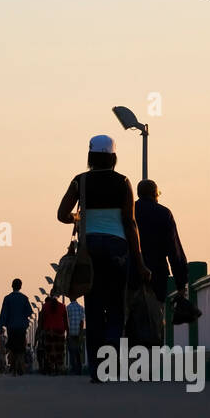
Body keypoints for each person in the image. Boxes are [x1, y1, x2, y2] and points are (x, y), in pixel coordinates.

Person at [57, 135, 149, 383]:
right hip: (117, 248)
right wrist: (139, 262)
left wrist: (78, 218)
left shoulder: (81, 182)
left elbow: (62, 214)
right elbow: (130, 223)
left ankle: (97, 369)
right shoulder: (123, 182)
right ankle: (112, 346)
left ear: (90, 156)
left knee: (94, 305)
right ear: (113, 157)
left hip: (90, 249)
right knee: (117, 304)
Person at [135, 180, 196, 327]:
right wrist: (181, 283)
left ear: (138, 194)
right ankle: (152, 348)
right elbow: (175, 251)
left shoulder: (128, 211)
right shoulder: (163, 214)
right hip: (156, 277)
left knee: (129, 320)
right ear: (155, 194)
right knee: (155, 322)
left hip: (130, 275)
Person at [0, 279, 32, 375]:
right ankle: (20, 366)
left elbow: (3, 313)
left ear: (12, 286)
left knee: (12, 347)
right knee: (21, 348)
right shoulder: (24, 298)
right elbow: (29, 312)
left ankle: (13, 367)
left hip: (11, 327)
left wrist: (1, 326)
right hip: (21, 327)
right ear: (20, 286)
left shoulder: (7, 298)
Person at [38, 294, 68, 375]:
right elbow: (65, 320)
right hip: (60, 331)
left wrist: (40, 331)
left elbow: (41, 320)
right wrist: (67, 331)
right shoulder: (62, 306)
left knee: (50, 351)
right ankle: (58, 367)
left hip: (49, 331)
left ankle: (52, 368)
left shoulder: (45, 306)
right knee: (59, 350)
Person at [65, 297, 85, 375]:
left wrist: (67, 333)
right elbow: (82, 321)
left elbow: (67, 322)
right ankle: (79, 369)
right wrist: (81, 333)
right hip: (78, 332)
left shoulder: (68, 308)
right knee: (78, 352)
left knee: (71, 351)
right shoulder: (81, 308)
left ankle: (73, 368)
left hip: (71, 332)